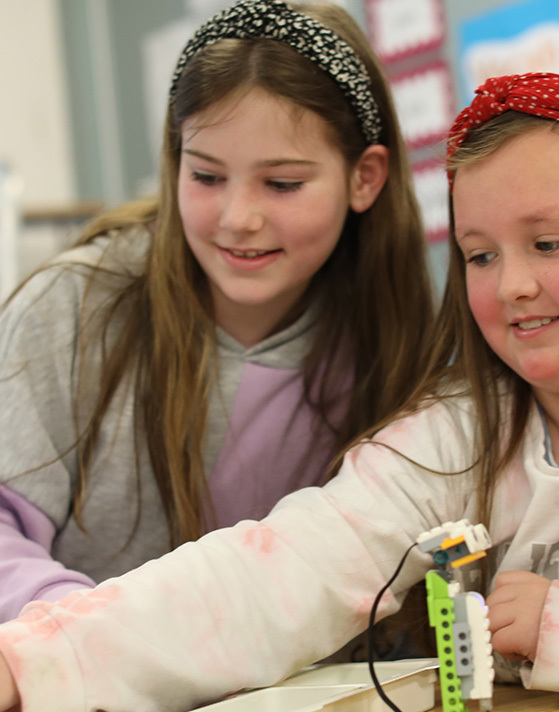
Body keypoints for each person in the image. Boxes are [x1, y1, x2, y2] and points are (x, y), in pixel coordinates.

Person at [4, 67, 559, 712]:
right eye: (480, 255)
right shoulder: (453, 436)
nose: (512, 285)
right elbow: (270, 581)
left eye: (548, 244)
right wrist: (33, 663)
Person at [0, 0, 434, 623]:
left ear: (365, 178)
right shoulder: (73, 306)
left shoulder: (397, 342)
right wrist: (90, 629)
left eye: (282, 184)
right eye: (205, 176)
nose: (238, 219)